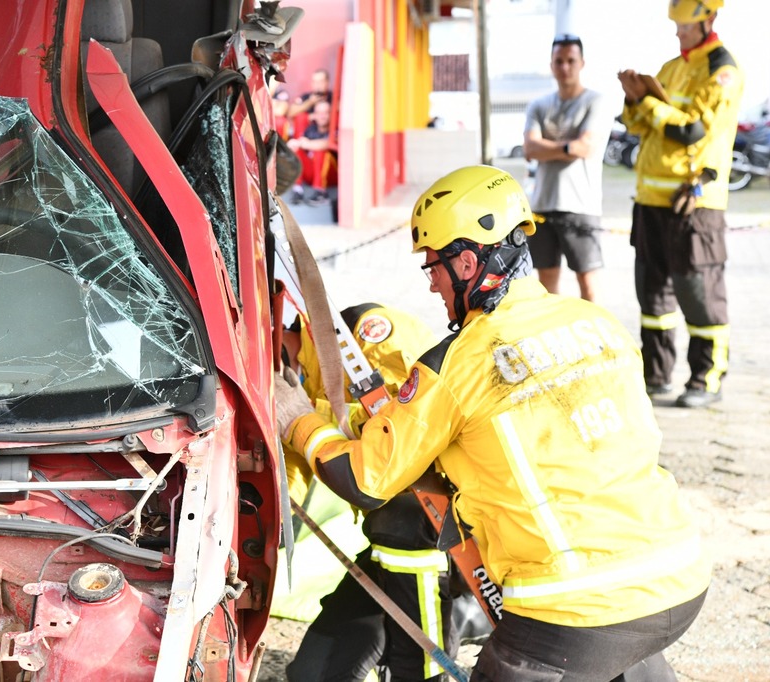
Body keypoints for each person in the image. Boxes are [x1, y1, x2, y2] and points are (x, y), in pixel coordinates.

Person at [274, 165, 711, 681]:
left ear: (467, 262)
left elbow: (368, 480)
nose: (432, 282)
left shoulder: (457, 362)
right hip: (680, 577)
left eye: (433, 267)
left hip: (570, 606)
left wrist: (298, 420)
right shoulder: (598, 322)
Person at [281, 303, 474, 682]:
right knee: (311, 675)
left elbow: (405, 445)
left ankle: (463, 609)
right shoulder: (295, 384)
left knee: (417, 670)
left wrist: (304, 415)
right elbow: (294, 469)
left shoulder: (362, 336)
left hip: (442, 539)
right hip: (391, 550)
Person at [617, 0, 742, 408]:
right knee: (652, 295)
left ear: (709, 19)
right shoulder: (672, 67)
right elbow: (638, 126)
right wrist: (634, 98)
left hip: (694, 202)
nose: (678, 33)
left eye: (685, 27)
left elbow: (692, 131)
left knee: (699, 291)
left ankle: (707, 378)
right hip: (650, 201)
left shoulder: (722, 71)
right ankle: (656, 376)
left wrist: (651, 105)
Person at [523, 34, 610, 302]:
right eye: (559, 61)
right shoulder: (539, 105)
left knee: (589, 286)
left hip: (581, 207)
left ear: (581, 63)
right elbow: (530, 150)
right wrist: (567, 148)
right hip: (542, 206)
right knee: (547, 289)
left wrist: (548, 146)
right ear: (551, 65)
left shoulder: (596, 101)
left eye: (571, 60)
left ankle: (595, 342)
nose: (565, 67)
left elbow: (585, 148)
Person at [287, 99, 337, 205]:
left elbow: (326, 144)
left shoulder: (335, 128)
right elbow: (300, 144)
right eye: (319, 113)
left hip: (333, 175)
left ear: (331, 114)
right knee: (298, 151)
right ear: (314, 115)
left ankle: (320, 192)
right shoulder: (311, 129)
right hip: (313, 174)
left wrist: (304, 143)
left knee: (321, 152)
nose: (322, 116)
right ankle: (298, 190)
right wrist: (296, 144)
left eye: (326, 113)